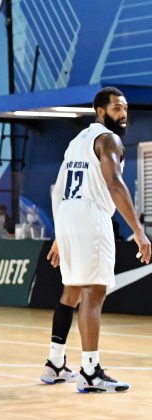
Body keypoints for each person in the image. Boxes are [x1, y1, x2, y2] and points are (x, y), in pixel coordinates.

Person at [43, 86, 151, 392]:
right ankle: (90, 371)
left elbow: (60, 189)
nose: (124, 114)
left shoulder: (77, 141)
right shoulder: (108, 139)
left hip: (68, 215)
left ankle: (54, 363)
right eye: (117, 108)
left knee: (73, 290)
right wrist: (139, 231)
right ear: (100, 111)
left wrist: (60, 233)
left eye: (125, 108)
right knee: (95, 292)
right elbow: (114, 183)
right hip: (91, 217)